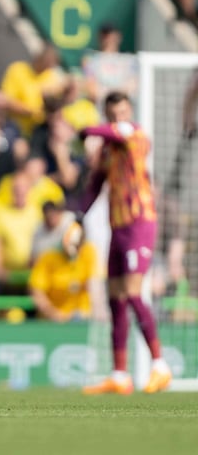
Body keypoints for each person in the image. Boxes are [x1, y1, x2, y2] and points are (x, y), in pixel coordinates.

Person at [81, 91, 172, 394]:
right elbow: (95, 184)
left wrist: (82, 131)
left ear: (129, 111)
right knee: (115, 298)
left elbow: (109, 131)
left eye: (122, 112)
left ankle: (160, 365)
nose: (118, 118)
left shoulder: (136, 135)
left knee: (133, 293)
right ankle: (120, 375)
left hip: (139, 223)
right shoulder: (107, 151)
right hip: (117, 227)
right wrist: (78, 216)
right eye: (113, 114)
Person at [29, 221, 98, 323]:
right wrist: (53, 313)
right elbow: (37, 290)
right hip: (53, 321)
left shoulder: (88, 253)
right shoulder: (48, 258)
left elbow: (96, 285)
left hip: (83, 317)